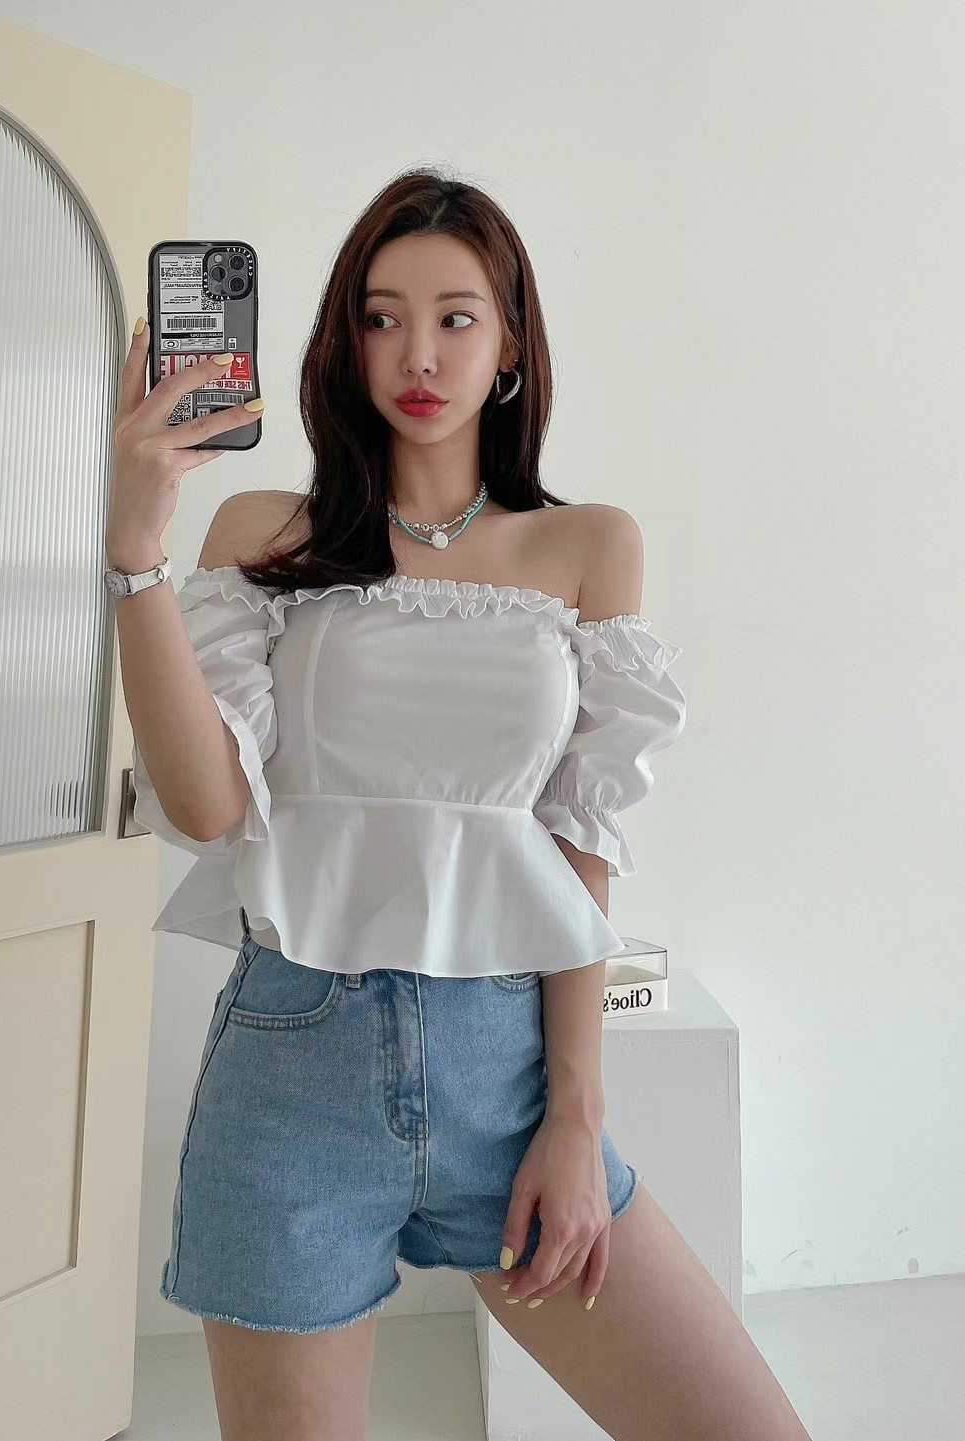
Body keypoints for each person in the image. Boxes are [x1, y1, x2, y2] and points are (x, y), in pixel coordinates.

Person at [108, 168, 812, 1441]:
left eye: (455, 317)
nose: (418, 355)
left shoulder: (588, 545)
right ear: (343, 341)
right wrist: (136, 550)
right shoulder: (262, 530)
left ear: (512, 344)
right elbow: (208, 809)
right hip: (294, 1069)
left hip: (510, 1069)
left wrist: (577, 1113)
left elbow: (582, 840)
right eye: (381, 318)